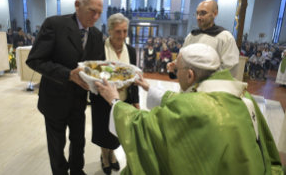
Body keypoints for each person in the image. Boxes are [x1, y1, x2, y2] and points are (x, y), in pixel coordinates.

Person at [95, 43, 283, 175]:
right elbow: (189, 100)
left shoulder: (192, 107)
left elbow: (143, 126)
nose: (176, 74)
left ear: (191, 75)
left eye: (178, 70)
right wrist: (149, 88)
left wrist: (115, 102)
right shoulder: (242, 96)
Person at [26, 0, 104, 175]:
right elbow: (35, 60)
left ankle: (77, 170)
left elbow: (98, 65)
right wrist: (68, 74)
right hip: (55, 99)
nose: (95, 17)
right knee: (57, 144)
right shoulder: (55, 25)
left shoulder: (95, 34)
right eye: (92, 11)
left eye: (99, 13)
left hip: (79, 100)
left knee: (78, 140)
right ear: (77, 5)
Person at [90, 13, 139, 175]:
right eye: (118, 31)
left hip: (123, 100)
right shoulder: (99, 49)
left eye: (125, 31)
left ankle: (112, 154)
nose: (122, 35)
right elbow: (91, 74)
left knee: (116, 131)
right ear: (109, 30)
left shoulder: (131, 51)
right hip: (102, 100)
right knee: (103, 130)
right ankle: (104, 156)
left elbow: (134, 77)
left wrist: (136, 101)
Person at [169, 0, 239, 78]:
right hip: (189, 87)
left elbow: (230, 68)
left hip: (210, 87)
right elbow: (184, 58)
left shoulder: (225, 37)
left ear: (215, 14)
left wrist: (201, 79)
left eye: (203, 13)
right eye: (197, 13)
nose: (198, 17)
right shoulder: (191, 36)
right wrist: (176, 65)